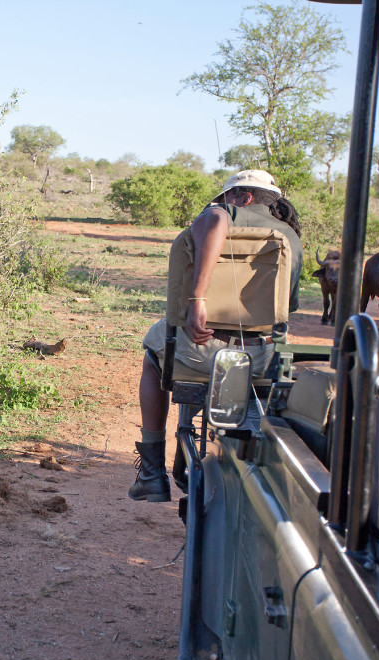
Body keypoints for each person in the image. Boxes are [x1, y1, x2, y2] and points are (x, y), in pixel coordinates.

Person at [129, 169, 303, 502]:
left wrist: (198, 301)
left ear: (243, 197)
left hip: (201, 352)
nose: (221, 204)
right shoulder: (289, 238)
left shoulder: (226, 214)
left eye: (226, 198)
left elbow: (215, 220)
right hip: (263, 359)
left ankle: (151, 470)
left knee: (152, 352)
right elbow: (285, 312)